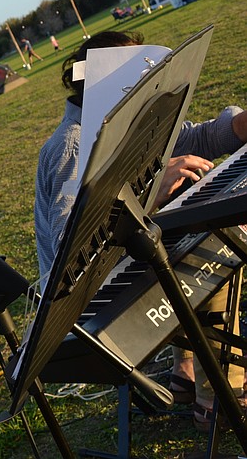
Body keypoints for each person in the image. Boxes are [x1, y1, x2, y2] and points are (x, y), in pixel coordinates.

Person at [34, 30, 247, 431]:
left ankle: (187, 372)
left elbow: (193, 138)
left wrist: (237, 127)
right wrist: (147, 191)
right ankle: (220, 397)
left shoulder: (128, 116)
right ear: (99, 79)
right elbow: (73, 245)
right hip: (88, 293)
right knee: (207, 254)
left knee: (200, 234)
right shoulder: (72, 145)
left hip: (124, 260)